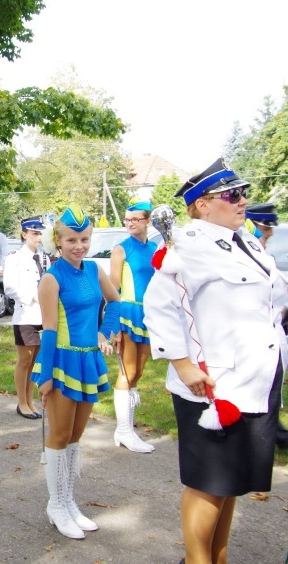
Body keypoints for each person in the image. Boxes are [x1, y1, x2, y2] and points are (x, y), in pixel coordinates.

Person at [144, 159, 283, 563]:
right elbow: (160, 306)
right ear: (202, 204)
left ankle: (217, 558)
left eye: (244, 193)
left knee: (231, 483)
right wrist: (183, 364)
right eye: (232, 195)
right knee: (209, 482)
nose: (243, 201)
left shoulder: (249, 242)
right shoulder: (188, 245)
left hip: (255, 379)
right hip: (212, 384)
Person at [31, 205, 120, 540]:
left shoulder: (95, 270)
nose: (79, 245)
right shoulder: (52, 277)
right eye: (72, 240)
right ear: (59, 240)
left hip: (88, 361)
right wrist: (46, 375)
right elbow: (49, 330)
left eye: (84, 239)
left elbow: (117, 302)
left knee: (75, 437)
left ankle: (68, 501)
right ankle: (56, 504)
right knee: (58, 436)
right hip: (62, 362)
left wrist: (104, 332)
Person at [107, 201, 158, 453]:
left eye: (136, 219)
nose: (130, 223)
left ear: (147, 221)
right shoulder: (120, 249)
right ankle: (125, 431)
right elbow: (113, 287)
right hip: (128, 312)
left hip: (149, 314)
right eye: (127, 219)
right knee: (127, 371)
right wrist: (112, 326)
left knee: (138, 371)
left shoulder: (155, 247)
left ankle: (126, 427)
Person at [245, 202, 288, 450]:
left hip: (276, 327)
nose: (268, 231)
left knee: (270, 385)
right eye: (265, 227)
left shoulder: (274, 252)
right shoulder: (249, 251)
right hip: (254, 331)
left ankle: (271, 435)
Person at [2, 216, 49, 420]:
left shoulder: (43, 257)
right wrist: (32, 297)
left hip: (43, 314)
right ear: (24, 234)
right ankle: (22, 402)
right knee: (25, 359)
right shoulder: (15, 257)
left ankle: (30, 401)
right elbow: (10, 287)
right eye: (34, 233)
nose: (38, 237)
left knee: (36, 360)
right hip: (26, 315)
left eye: (40, 233)